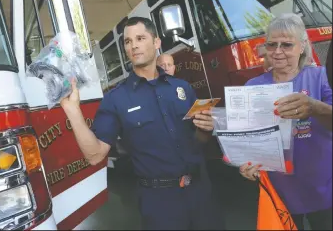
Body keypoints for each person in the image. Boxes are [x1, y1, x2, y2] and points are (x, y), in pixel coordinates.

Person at [61, 17, 224, 230]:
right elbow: (95, 156)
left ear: (156, 42)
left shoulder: (182, 88)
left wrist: (207, 128)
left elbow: (198, 139)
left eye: (140, 38)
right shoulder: (116, 99)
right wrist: (73, 112)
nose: (133, 45)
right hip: (160, 203)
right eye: (128, 42)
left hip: (201, 193)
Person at [239, 13, 332, 230]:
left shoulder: (322, 77)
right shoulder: (252, 87)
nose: (278, 52)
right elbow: (246, 137)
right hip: (279, 191)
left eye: (287, 45)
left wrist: (314, 107)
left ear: (302, 47)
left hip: (324, 187)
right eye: (272, 45)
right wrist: (245, 161)